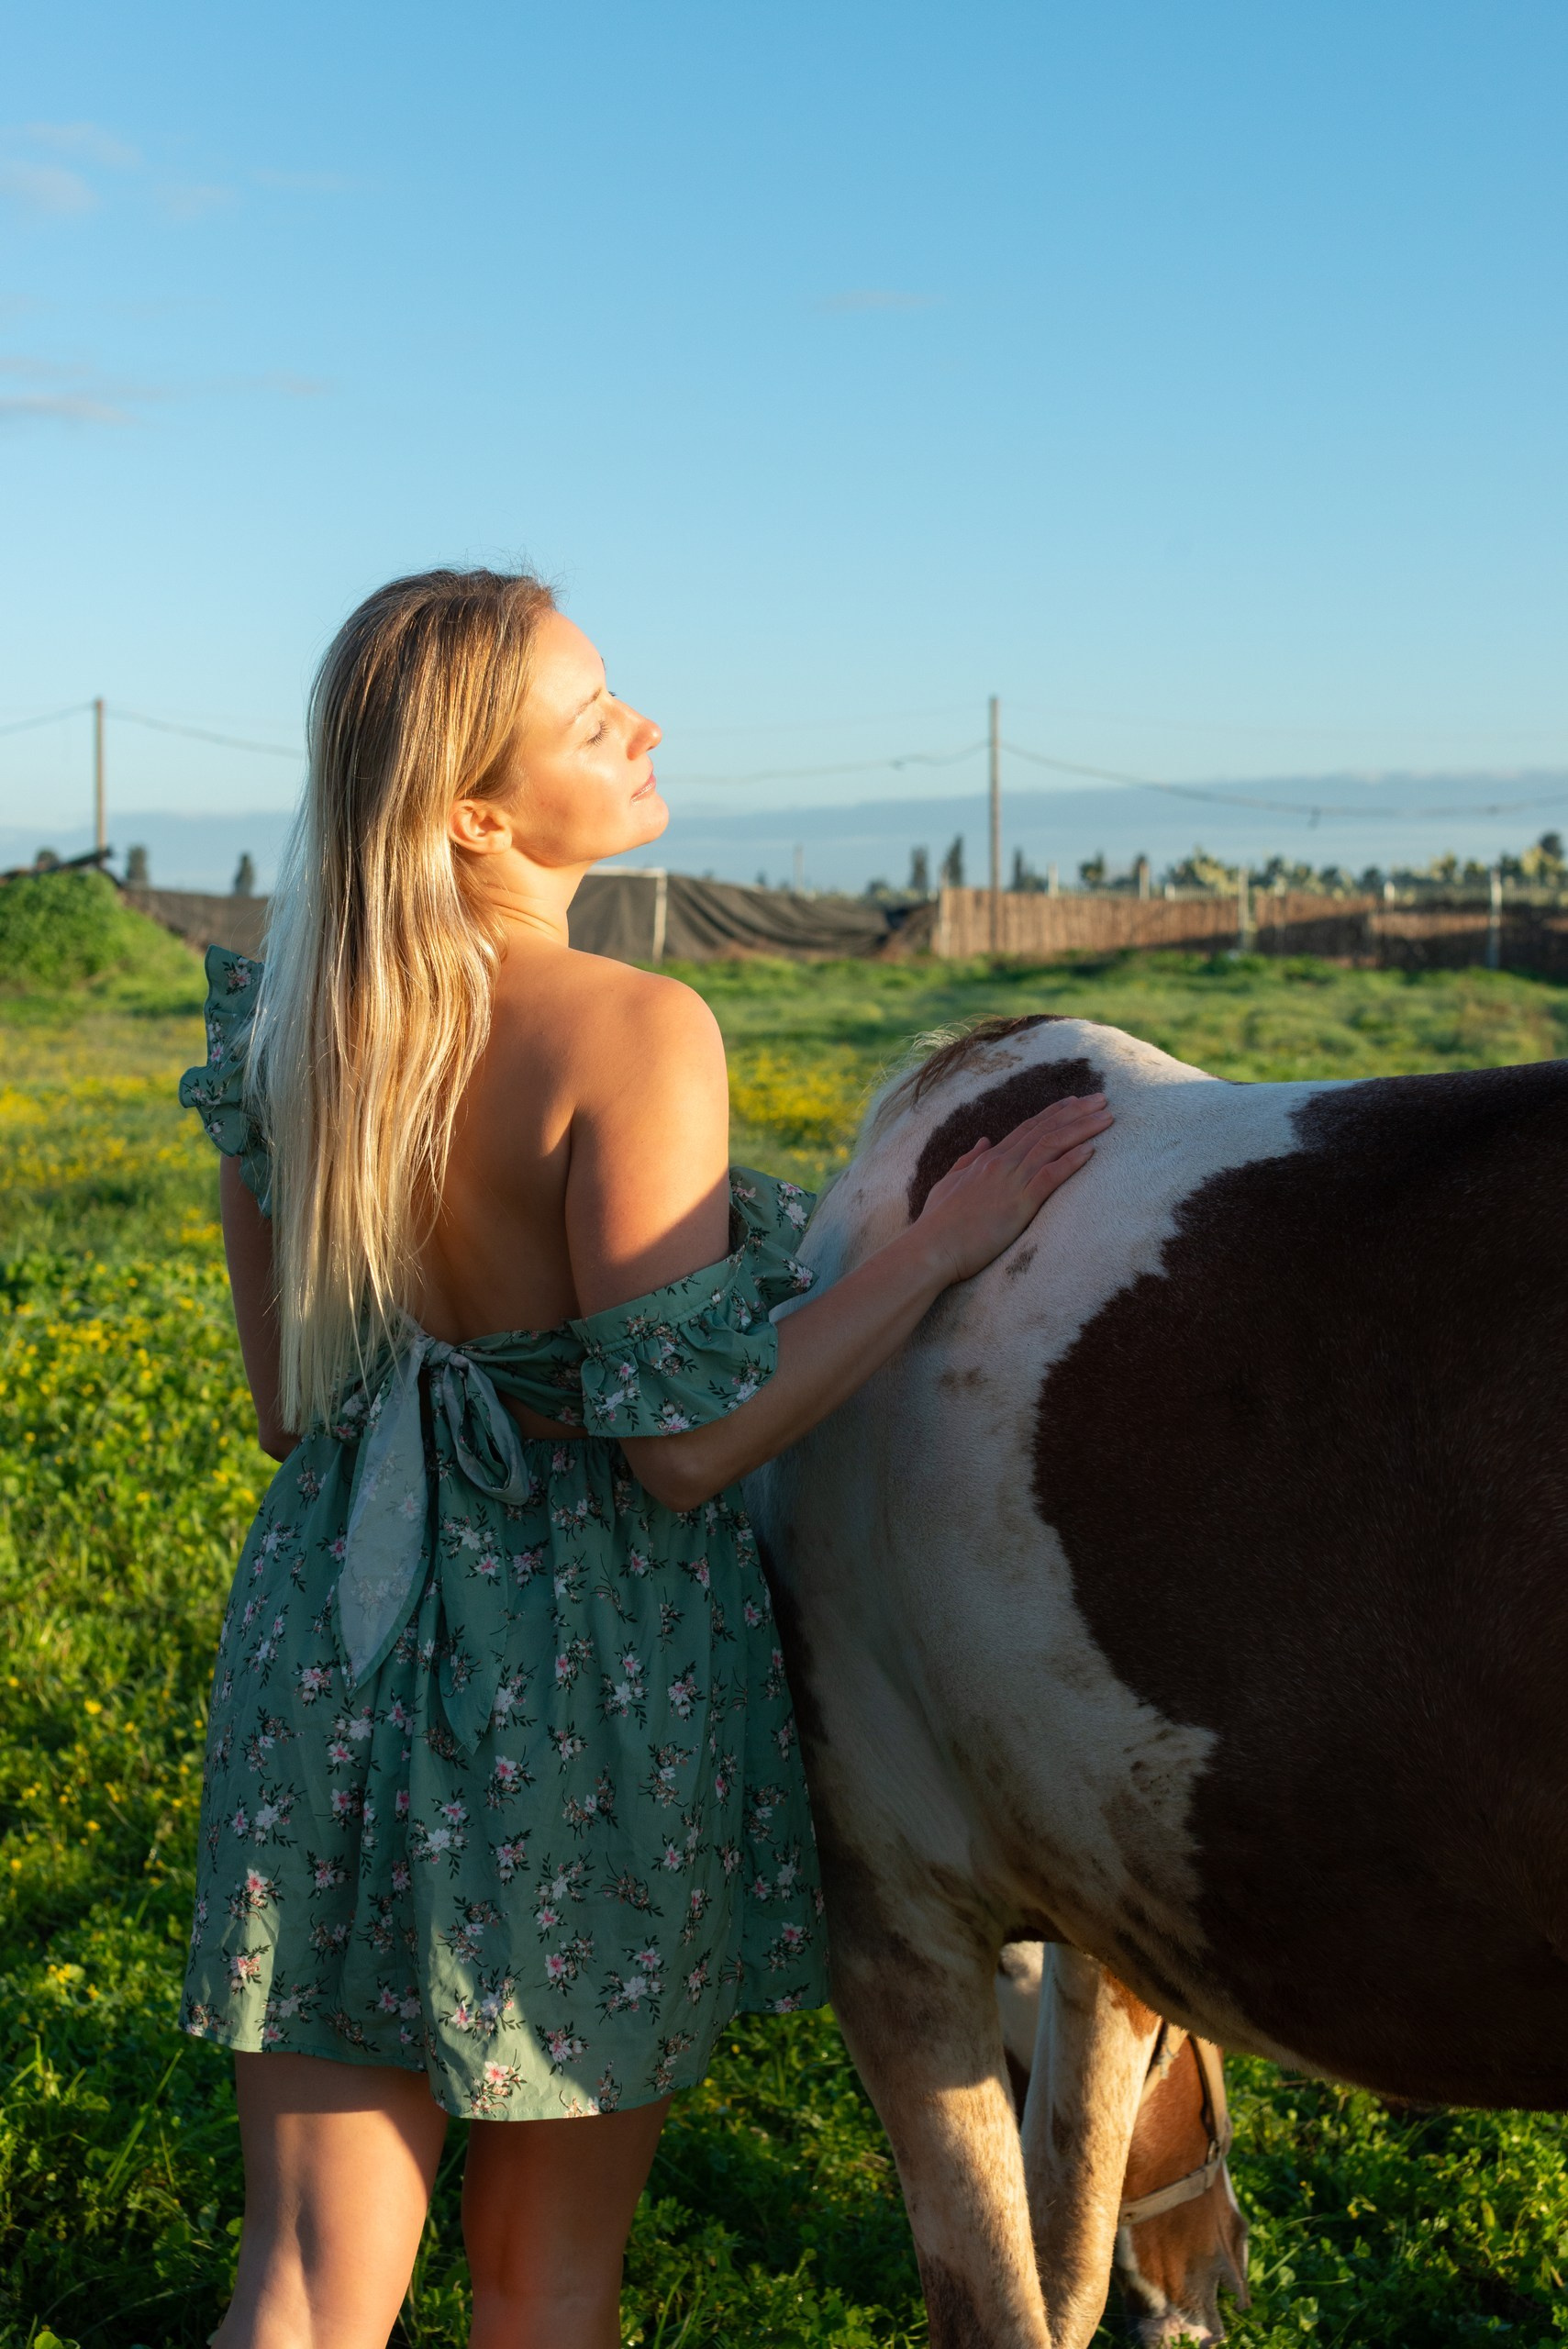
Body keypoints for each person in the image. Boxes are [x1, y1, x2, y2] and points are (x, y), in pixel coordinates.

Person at [177, 567, 1113, 2349]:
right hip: (579, 1676)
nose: (643, 725)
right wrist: (926, 1250)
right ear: (475, 811)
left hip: (329, 1634)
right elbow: (682, 1452)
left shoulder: (282, 1032)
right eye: (593, 711)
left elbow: (292, 1406)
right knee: (546, 2283)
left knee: (301, 2286)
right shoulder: (633, 1028)